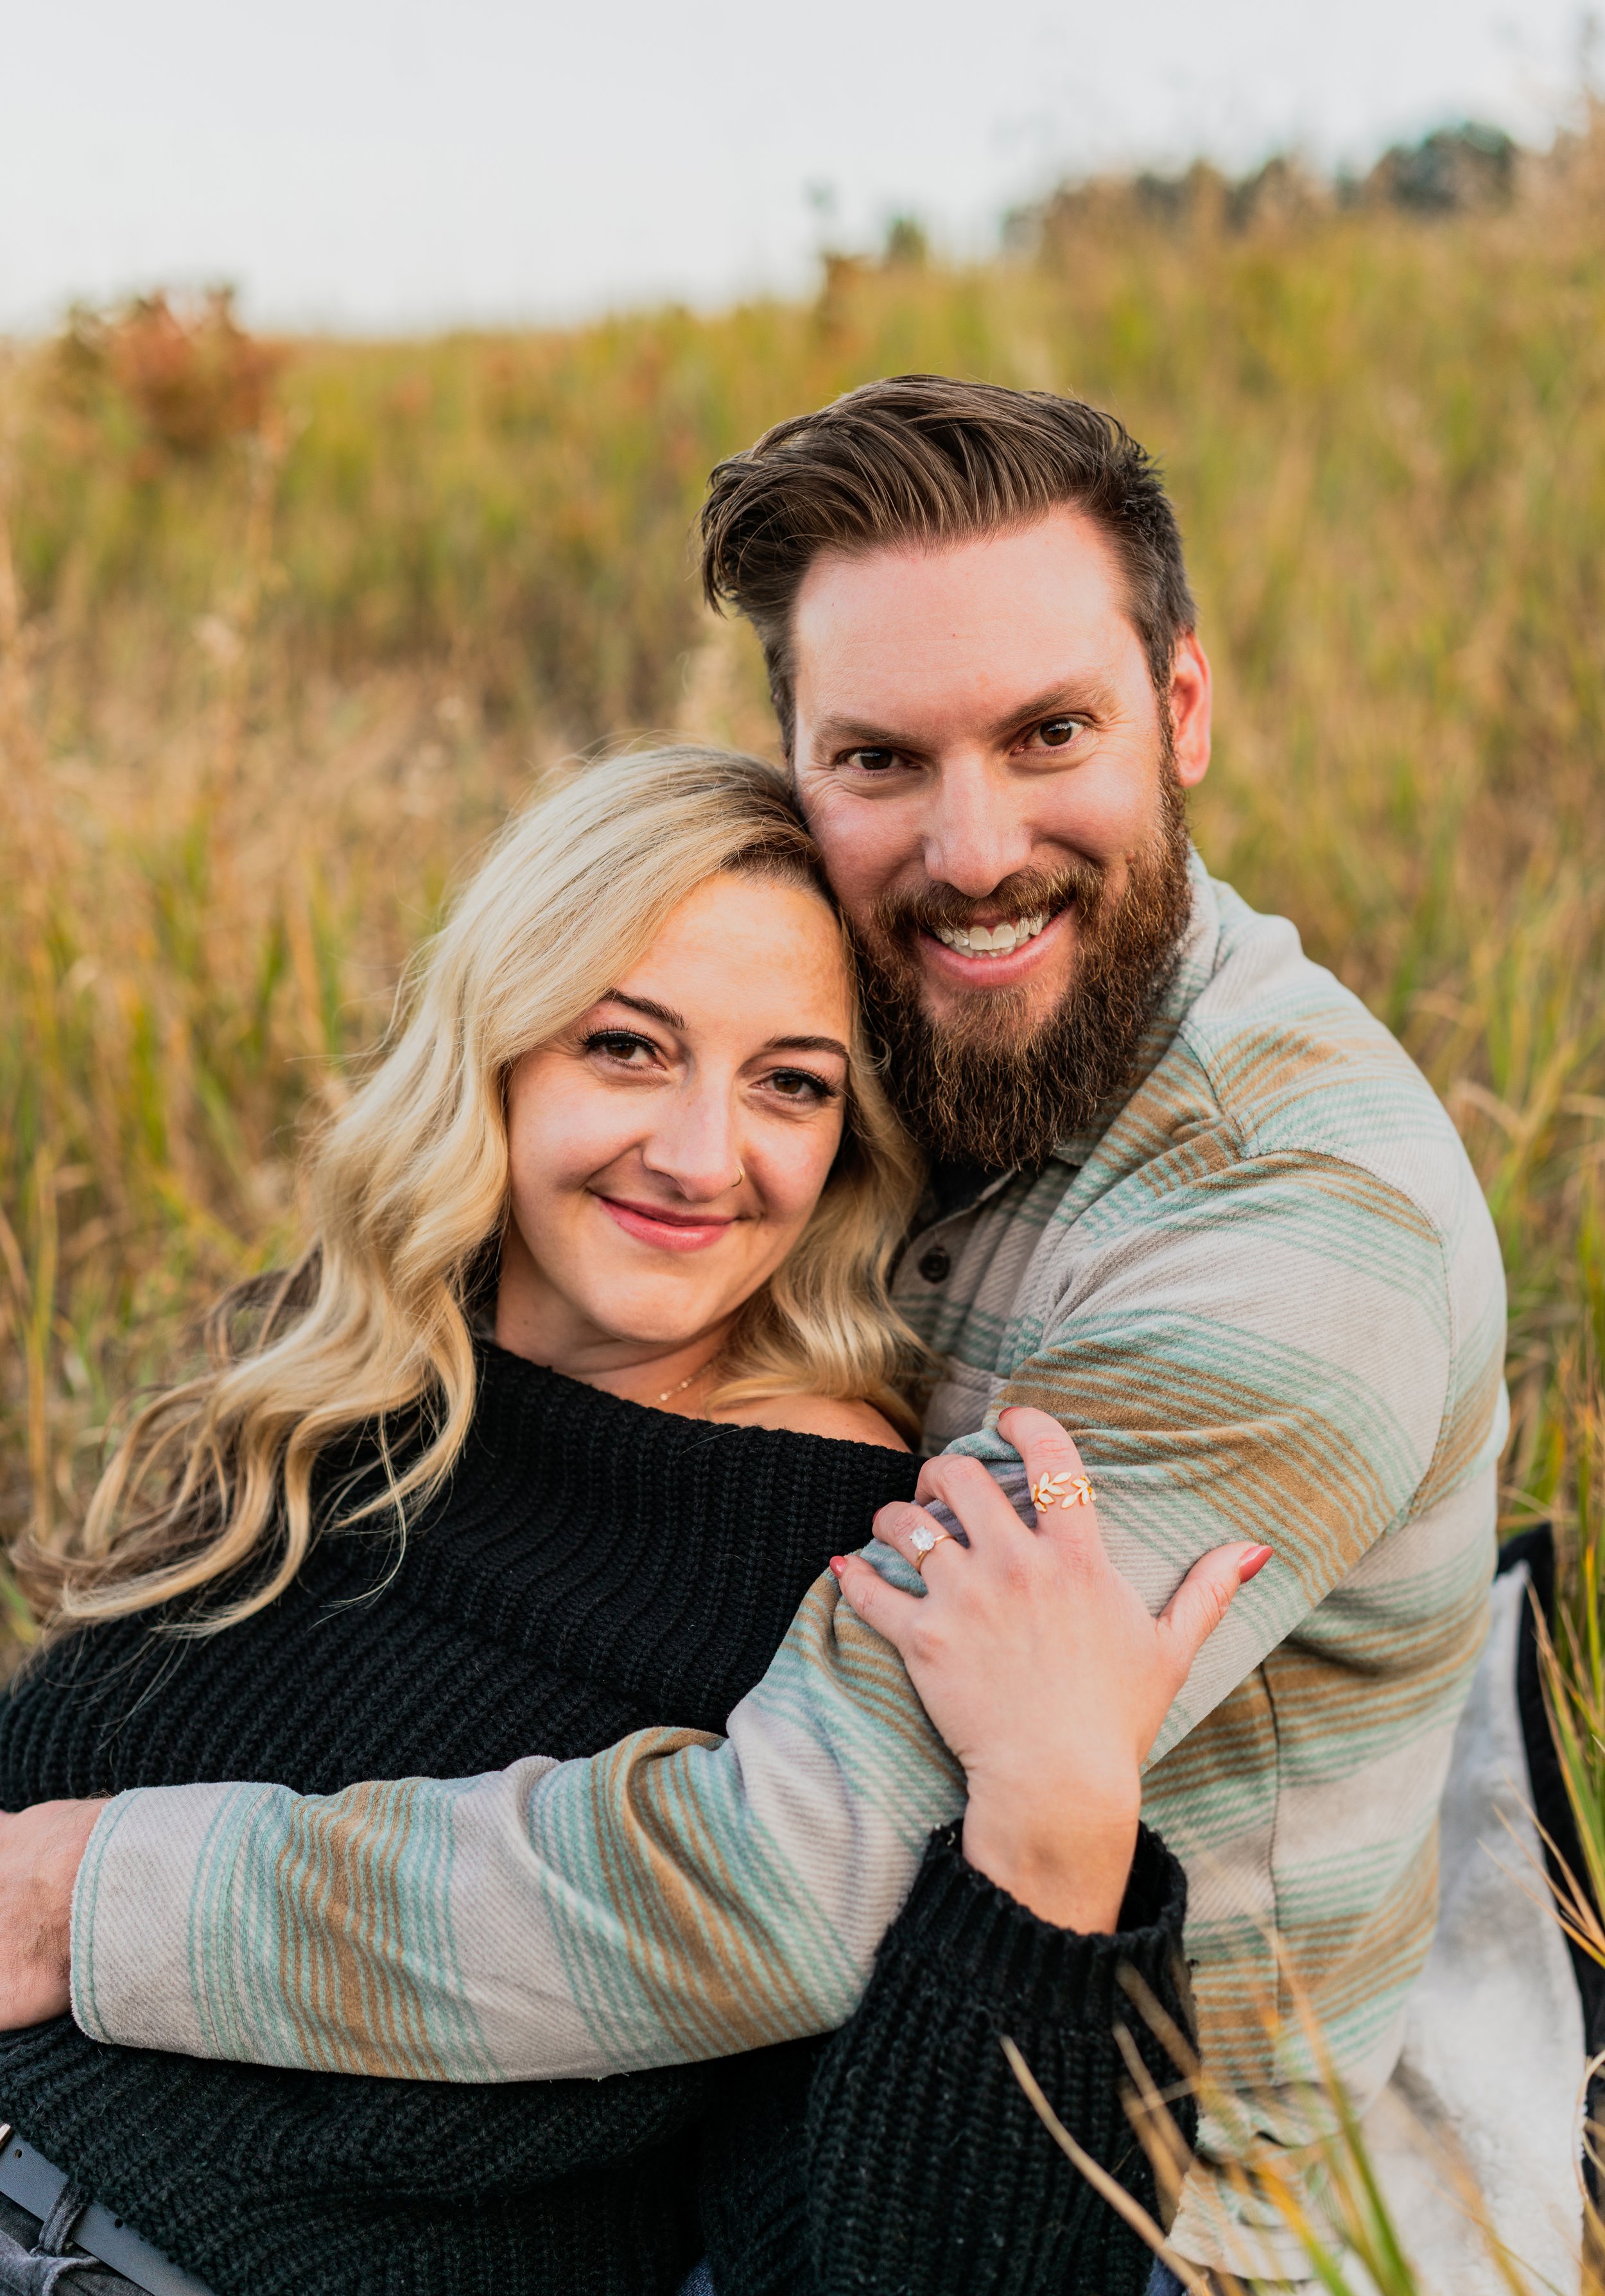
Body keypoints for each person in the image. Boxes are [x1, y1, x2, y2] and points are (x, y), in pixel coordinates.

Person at [0, 377, 1507, 2290]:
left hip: (1097, 2184)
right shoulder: (917, 1003)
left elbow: (780, 1876)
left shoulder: (1296, 1230)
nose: (971, 851)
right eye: (880, 758)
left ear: (1180, 707)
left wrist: (83, 1894)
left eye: (1049, 732)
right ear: (796, 752)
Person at [0, 744, 1261, 2296]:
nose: (695, 1155)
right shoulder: (355, 1385)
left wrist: (1054, 1834)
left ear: (849, 1145)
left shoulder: (857, 1572)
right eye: (626, 1047)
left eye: (789, 1084)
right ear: (502, 1051)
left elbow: (896, 2260)